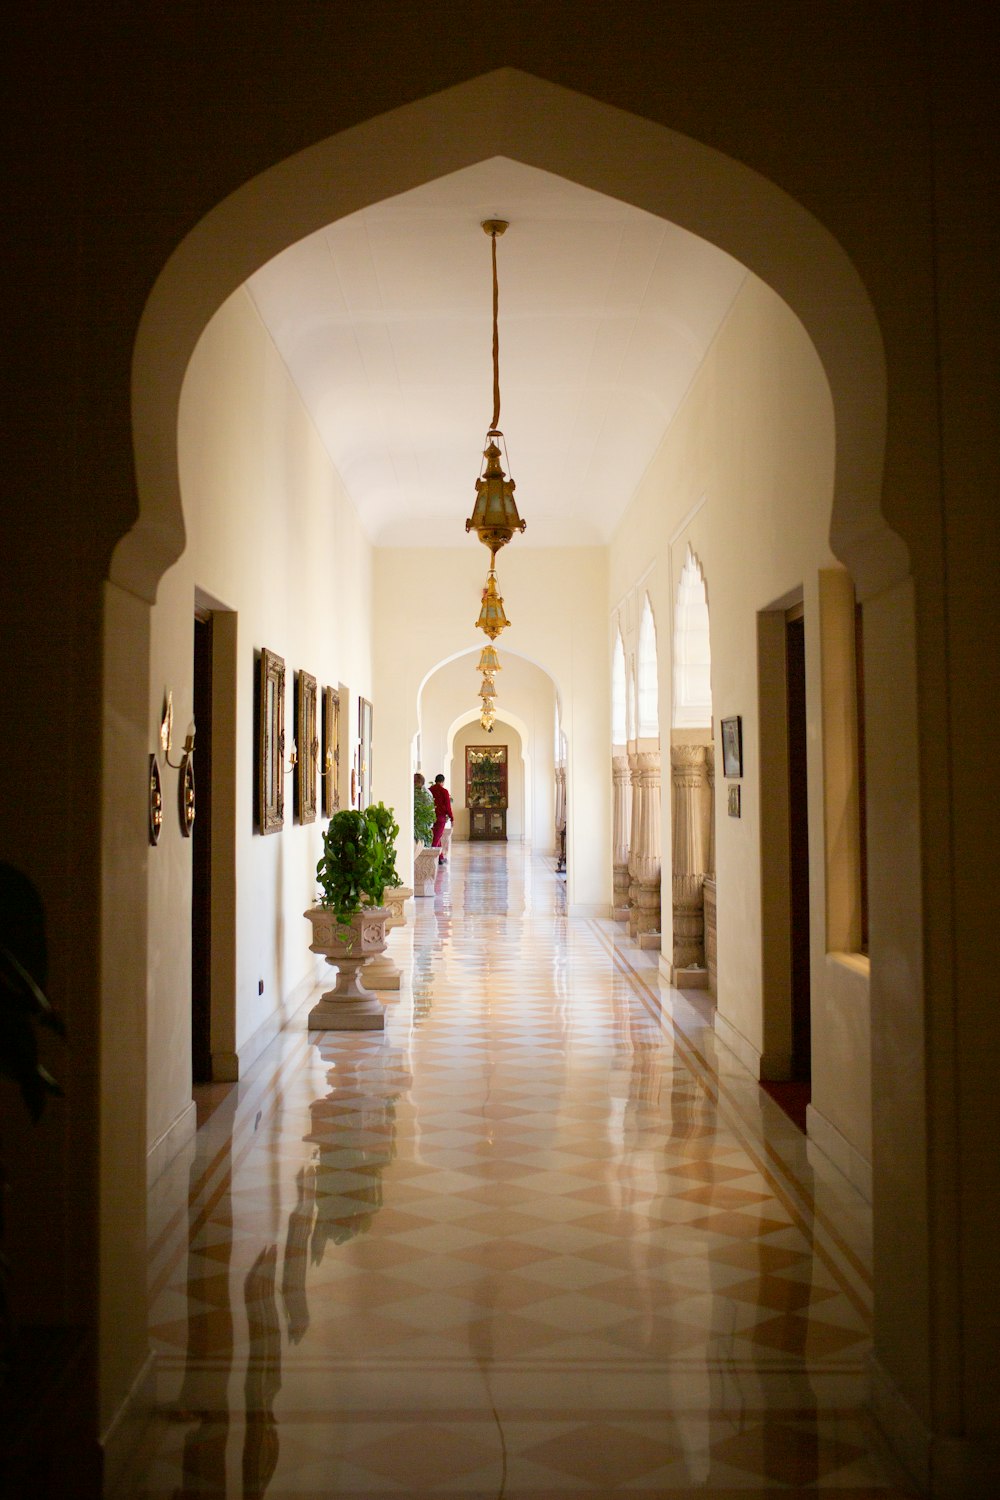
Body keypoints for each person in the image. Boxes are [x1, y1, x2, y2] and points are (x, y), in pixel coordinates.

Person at [430, 773, 453, 862]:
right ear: (442, 782)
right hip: (440, 818)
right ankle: (433, 859)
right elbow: (448, 807)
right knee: (436, 839)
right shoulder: (444, 791)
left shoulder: (429, 790)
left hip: (431, 817)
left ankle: (440, 857)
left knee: (437, 836)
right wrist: (452, 818)